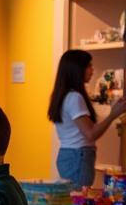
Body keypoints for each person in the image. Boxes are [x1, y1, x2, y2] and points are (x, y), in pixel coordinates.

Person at [46, 48, 126, 188]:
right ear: (77, 69)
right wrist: (113, 114)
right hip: (78, 156)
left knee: (73, 200)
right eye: (88, 66)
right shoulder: (75, 97)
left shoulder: (64, 95)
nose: (92, 70)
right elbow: (91, 133)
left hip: (69, 155)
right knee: (79, 200)